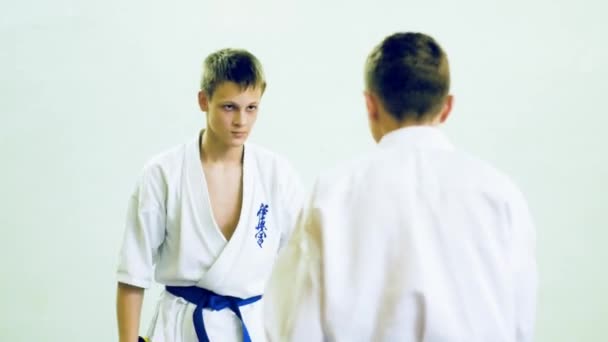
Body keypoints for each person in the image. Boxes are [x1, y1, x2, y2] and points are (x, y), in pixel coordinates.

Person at [264, 32, 537, 342]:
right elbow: (521, 322)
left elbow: (295, 327)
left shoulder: (333, 194)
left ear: (371, 105)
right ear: (447, 107)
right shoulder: (500, 194)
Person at [116, 48, 305, 342]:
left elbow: (301, 265)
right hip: (180, 330)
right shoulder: (163, 173)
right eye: (229, 107)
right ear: (204, 100)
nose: (242, 121)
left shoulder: (277, 174)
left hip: (254, 328)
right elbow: (132, 274)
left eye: (251, 107)